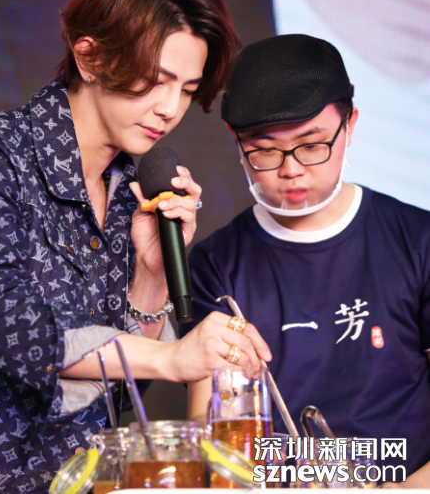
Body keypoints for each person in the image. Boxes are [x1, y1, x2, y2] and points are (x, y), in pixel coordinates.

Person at [0, 0, 271, 493]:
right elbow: (1, 324)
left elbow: (120, 396)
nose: (170, 108)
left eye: (187, 89)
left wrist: (151, 276)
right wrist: (174, 355)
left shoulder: (135, 190)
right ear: (89, 57)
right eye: (156, 80)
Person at [181, 34, 430, 488]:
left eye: (312, 144)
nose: (290, 169)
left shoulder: (419, 241)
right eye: (264, 149)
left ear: (350, 125)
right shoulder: (216, 264)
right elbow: (212, 431)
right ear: (236, 140)